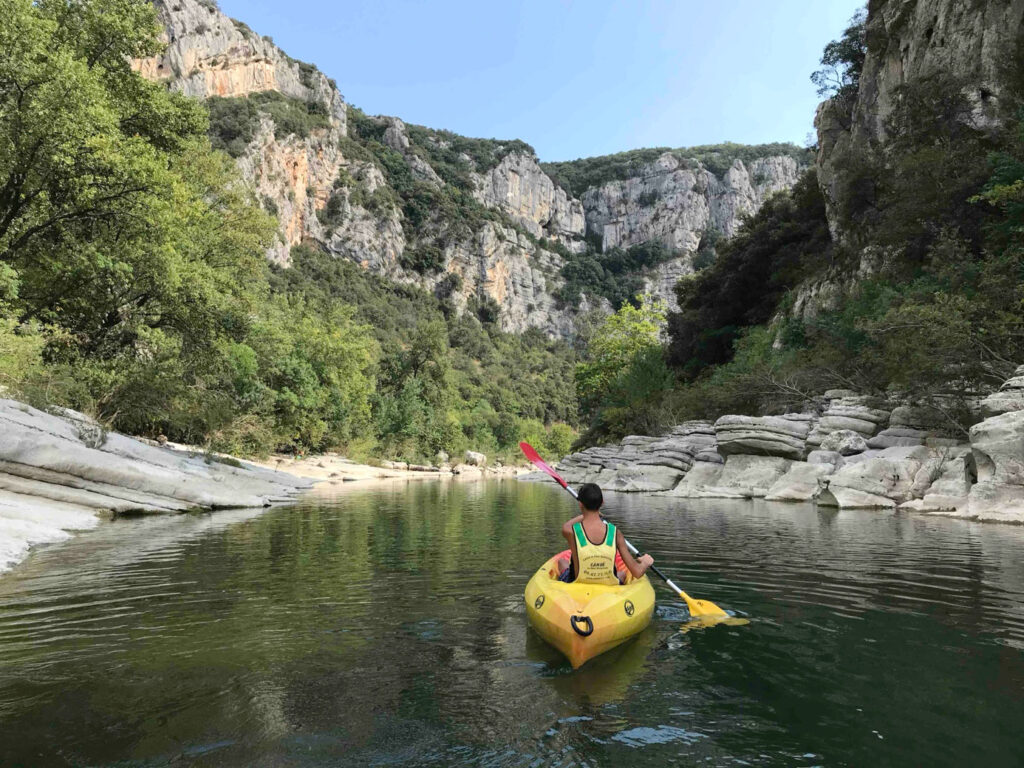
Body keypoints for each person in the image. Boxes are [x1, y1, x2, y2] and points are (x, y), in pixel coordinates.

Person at [554, 483, 654, 585]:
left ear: (580, 504)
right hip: (608, 586)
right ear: (602, 503)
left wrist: (582, 515)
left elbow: (566, 526)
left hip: (578, 585)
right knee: (622, 574)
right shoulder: (615, 533)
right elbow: (637, 572)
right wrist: (645, 562)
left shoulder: (571, 532)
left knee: (562, 562)